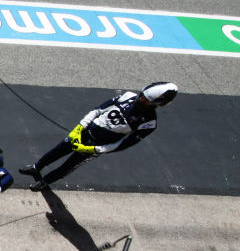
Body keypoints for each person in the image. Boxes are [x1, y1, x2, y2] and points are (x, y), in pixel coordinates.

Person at [20, 82, 178, 191]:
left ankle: (44, 182)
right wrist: (79, 127)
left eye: (145, 100)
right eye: (141, 95)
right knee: (57, 150)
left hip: (95, 146)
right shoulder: (128, 96)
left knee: (67, 167)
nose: (140, 99)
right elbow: (98, 110)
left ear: (157, 104)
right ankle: (36, 167)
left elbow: (122, 145)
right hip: (85, 131)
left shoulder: (149, 123)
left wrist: (94, 149)